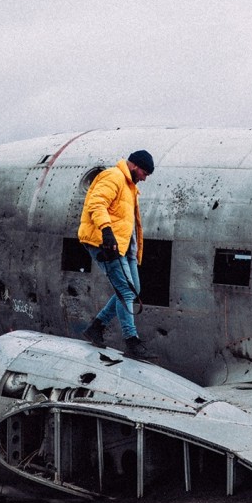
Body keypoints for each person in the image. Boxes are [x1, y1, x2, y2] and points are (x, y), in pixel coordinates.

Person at [77, 149, 155, 360]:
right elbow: (96, 203)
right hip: (107, 244)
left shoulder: (129, 187)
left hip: (124, 247)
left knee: (133, 289)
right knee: (126, 291)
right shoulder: (113, 176)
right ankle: (132, 341)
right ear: (135, 166)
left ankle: (96, 327)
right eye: (144, 173)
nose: (145, 178)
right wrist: (107, 232)